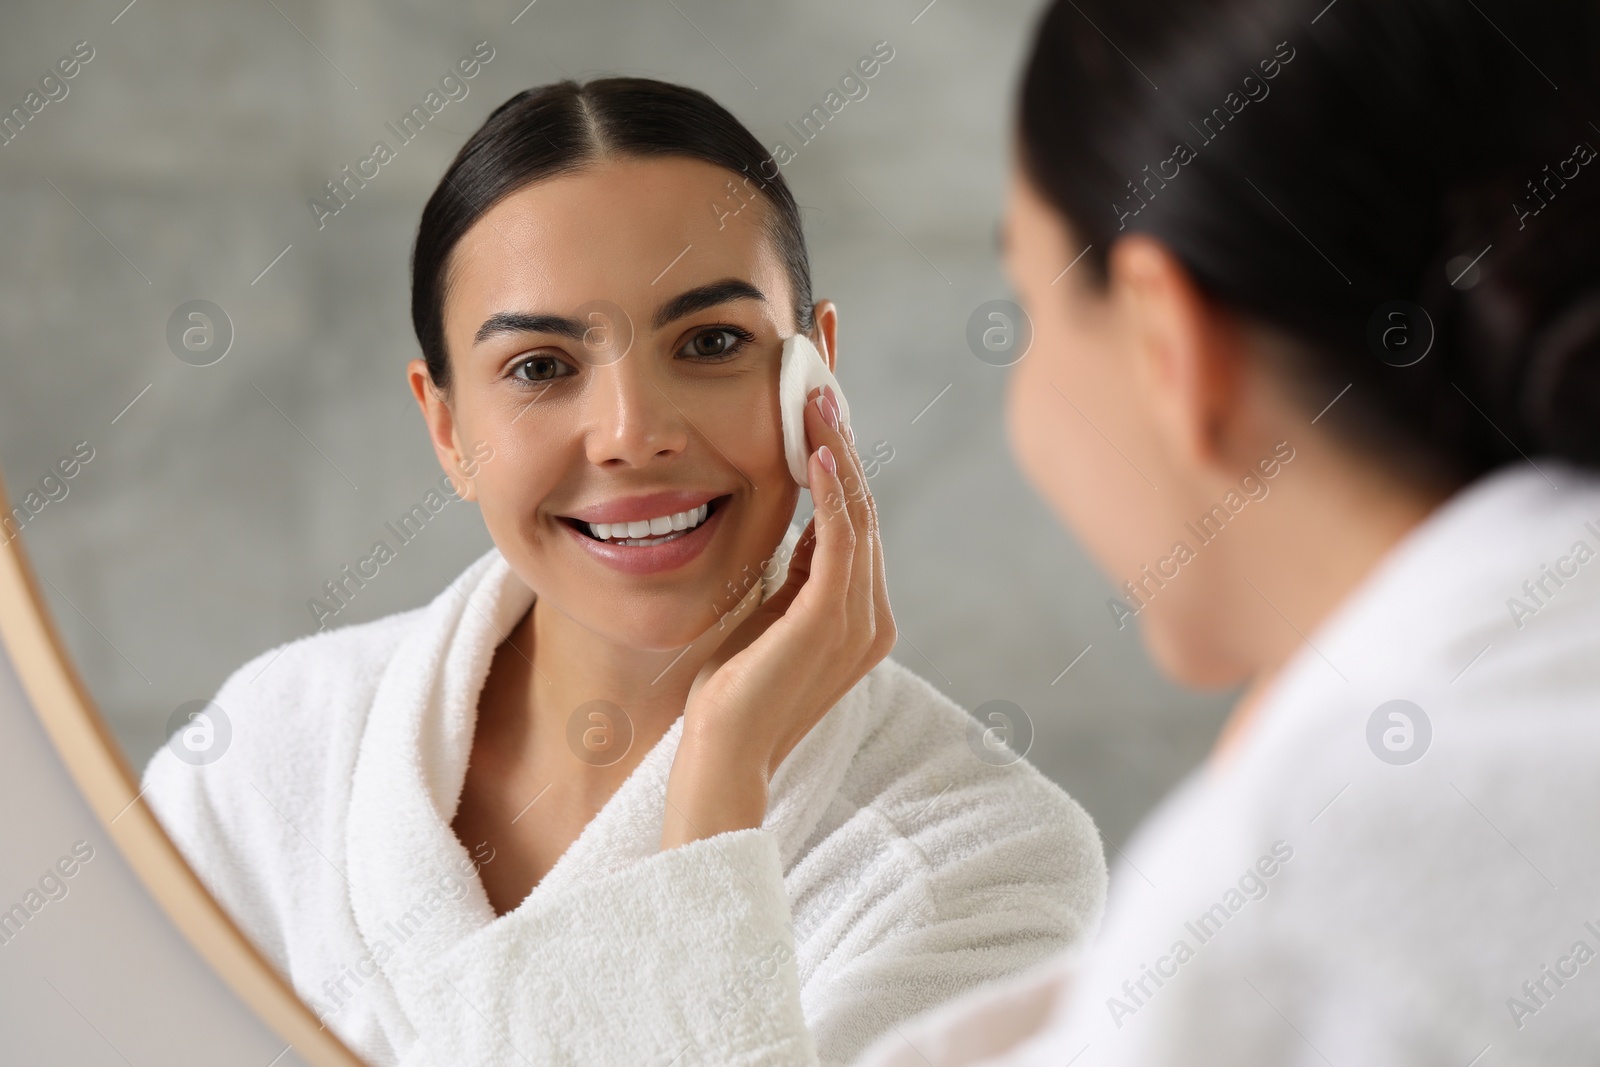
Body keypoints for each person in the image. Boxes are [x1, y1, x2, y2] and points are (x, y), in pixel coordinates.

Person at [138, 80, 1108, 1067]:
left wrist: (719, 787)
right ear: (447, 427)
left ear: (816, 370)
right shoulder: (265, 756)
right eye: (539, 366)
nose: (633, 433)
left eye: (711, 342)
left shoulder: (985, 863)